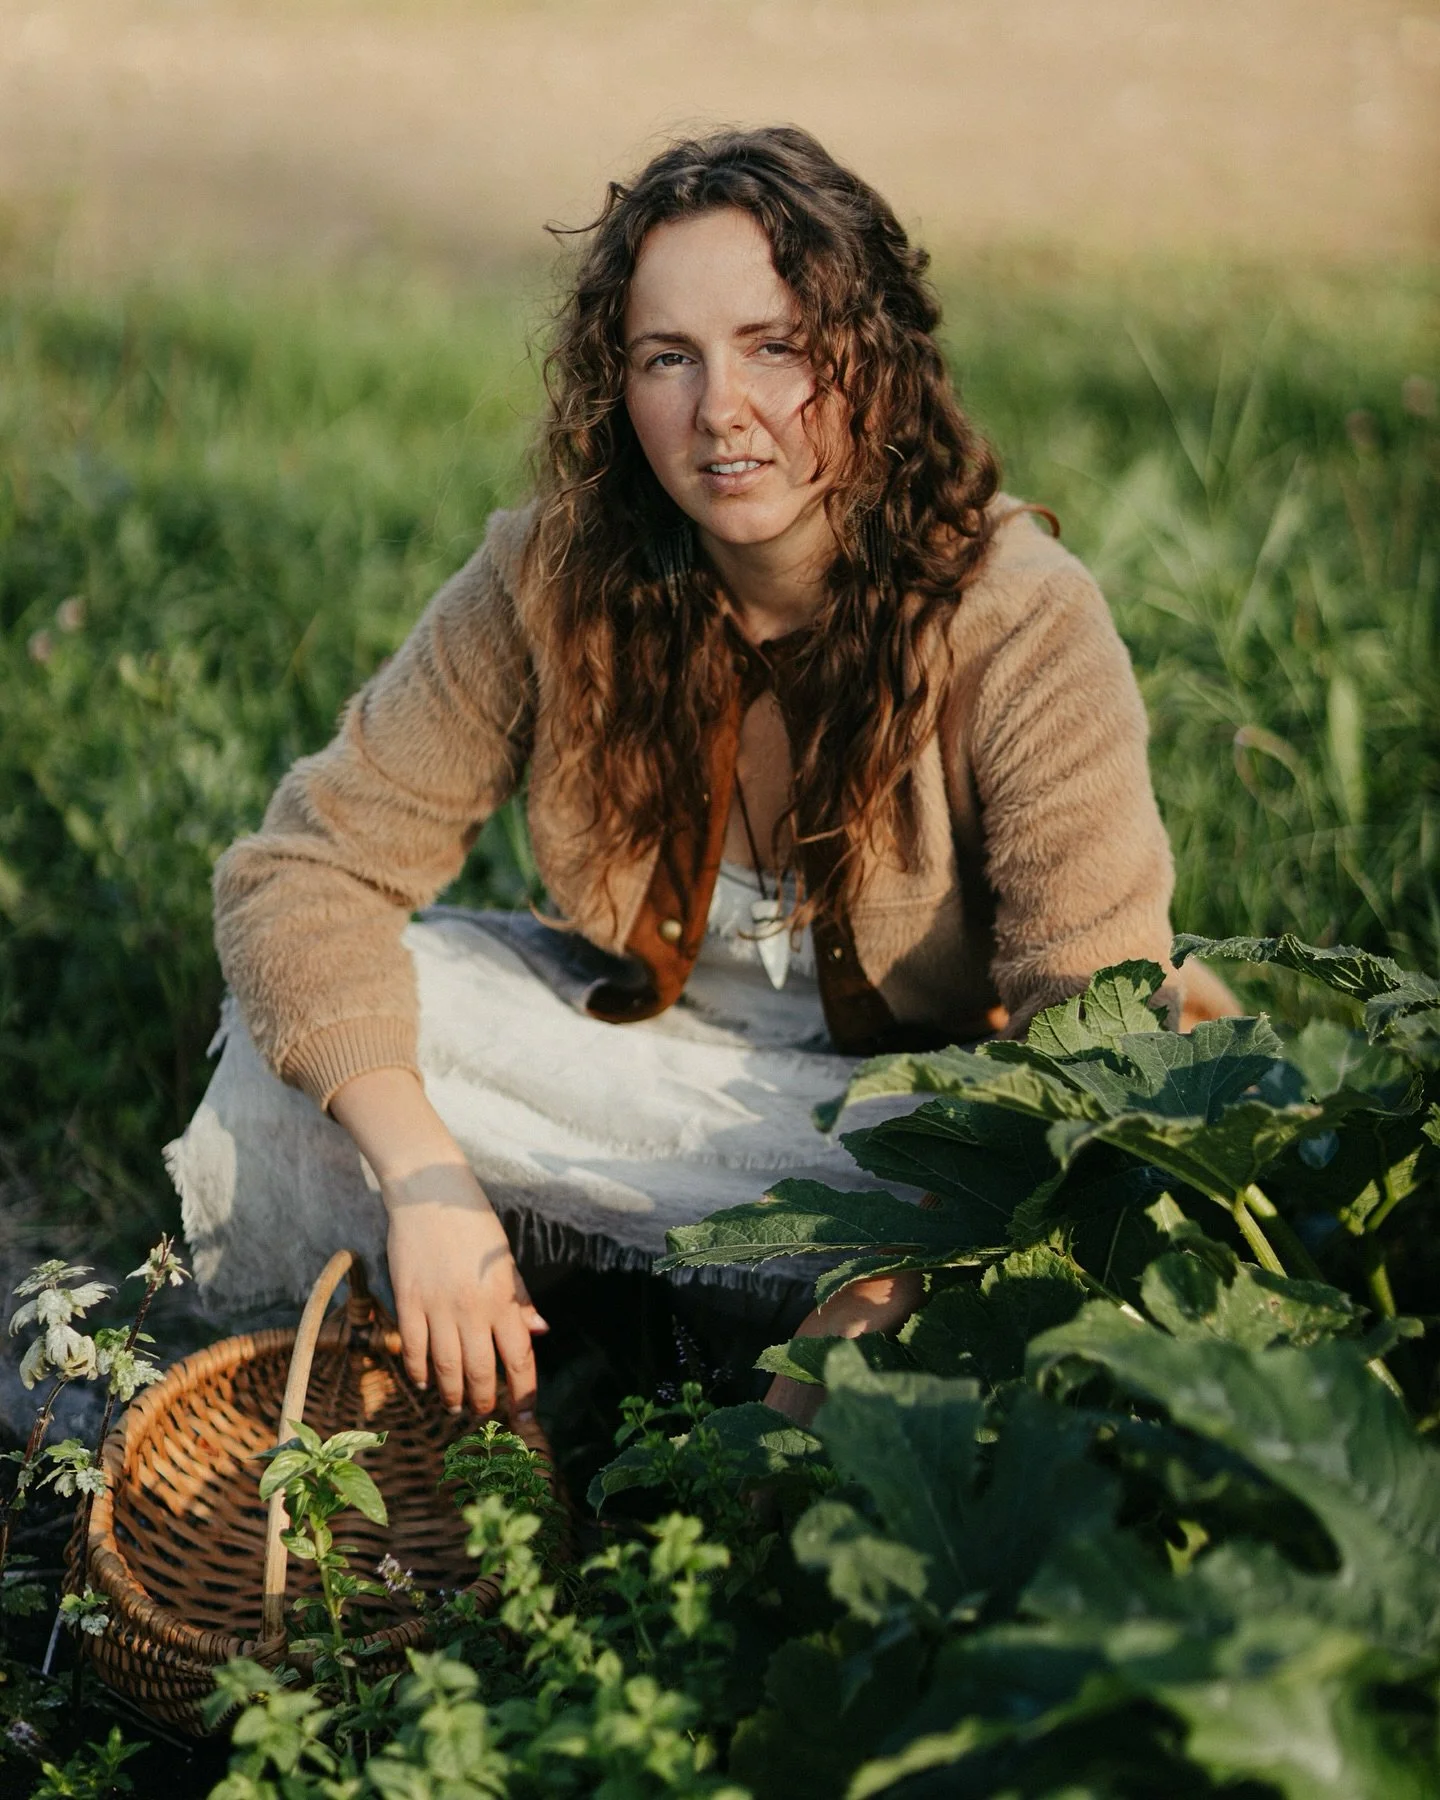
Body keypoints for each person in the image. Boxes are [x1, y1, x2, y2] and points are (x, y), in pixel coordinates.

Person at [178, 125, 1231, 1432]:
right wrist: (427, 1181)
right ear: (617, 389)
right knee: (324, 1051)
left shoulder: (1020, 623)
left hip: (910, 1131)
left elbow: (1093, 1024)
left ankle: (640, 1359)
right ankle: (350, 1411)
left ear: (873, 361)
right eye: (666, 358)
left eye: (774, 346)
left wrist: (897, 1284)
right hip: (644, 1070)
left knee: (1084, 1213)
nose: (719, 411)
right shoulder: (554, 578)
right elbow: (304, 873)